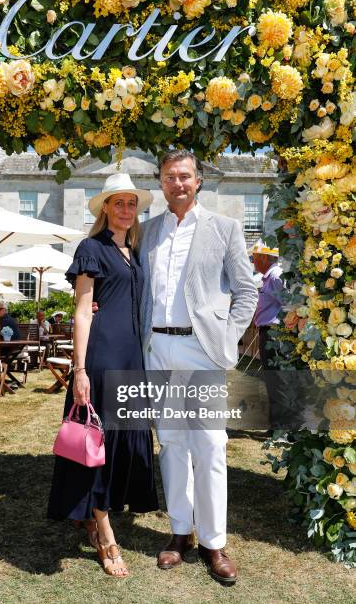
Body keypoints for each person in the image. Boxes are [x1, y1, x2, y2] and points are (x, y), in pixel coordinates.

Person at [139, 150, 258, 585]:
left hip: (201, 350)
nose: (178, 183)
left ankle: (214, 541)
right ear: (161, 182)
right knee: (171, 443)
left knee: (209, 445)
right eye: (170, 177)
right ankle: (178, 533)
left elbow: (246, 290)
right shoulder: (147, 231)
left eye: (185, 176)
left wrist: (227, 338)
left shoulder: (224, 229)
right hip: (159, 351)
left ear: (199, 180)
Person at [47, 173, 158, 577]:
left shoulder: (135, 250)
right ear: (105, 208)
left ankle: (97, 514)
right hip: (101, 357)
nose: (126, 210)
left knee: (125, 442)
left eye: (132, 203)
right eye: (119, 203)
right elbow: (82, 309)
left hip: (132, 358)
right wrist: (79, 369)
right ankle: (106, 534)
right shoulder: (91, 248)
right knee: (100, 442)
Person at [251, 242, 286, 428]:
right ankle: (277, 425)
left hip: (275, 333)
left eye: (254, 257)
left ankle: (281, 427)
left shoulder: (276, 276)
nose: (253, 262)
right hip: (269, 332)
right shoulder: (269, 277)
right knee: (273, 379)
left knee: (277, 379)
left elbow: (289, 304)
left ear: (264, 257)